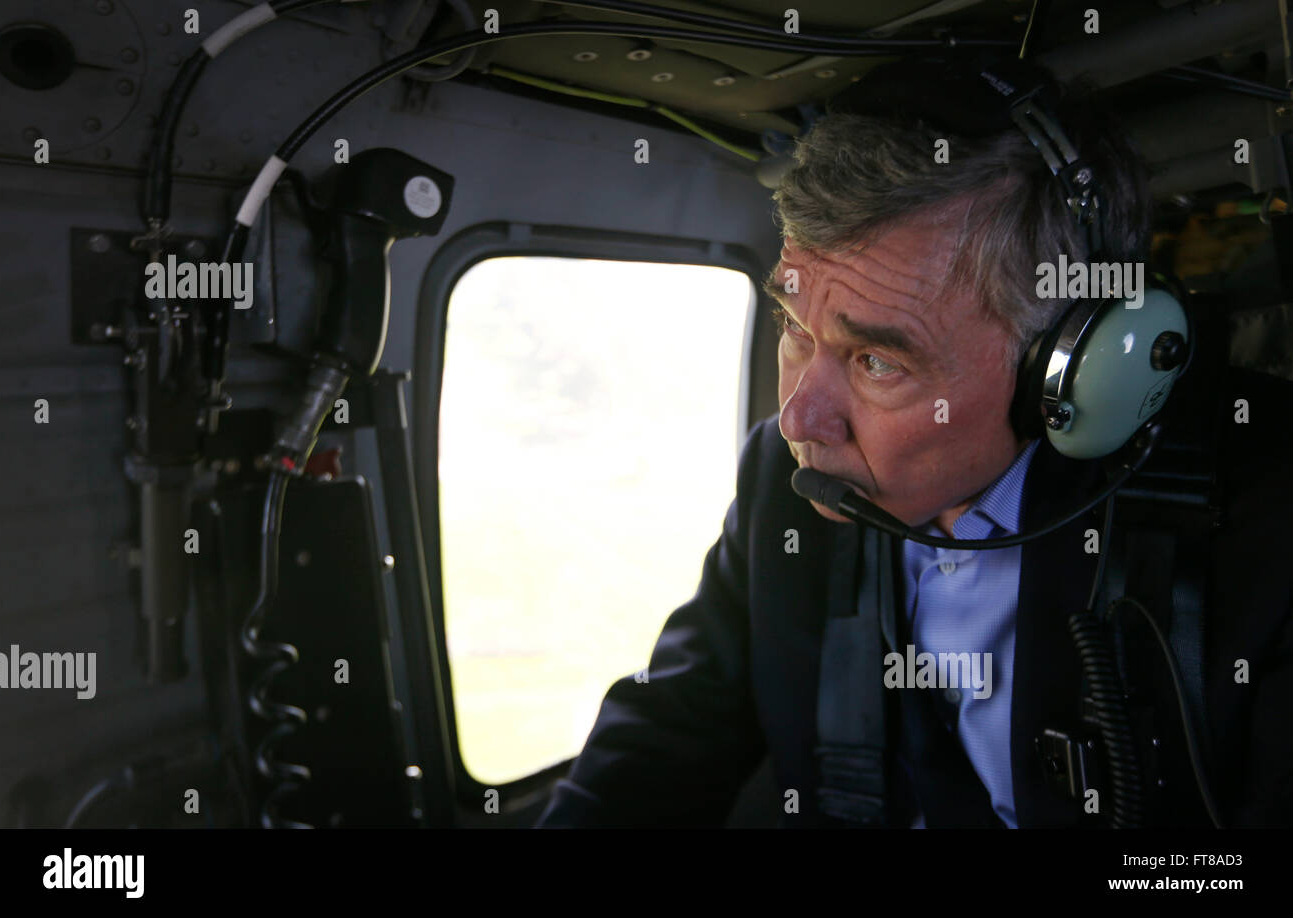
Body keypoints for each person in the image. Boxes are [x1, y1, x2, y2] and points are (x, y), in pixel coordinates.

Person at [534, 55, 1293, 828]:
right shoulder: (783, 478)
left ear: (1070, 371)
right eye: (794, 329)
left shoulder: (1266, 526)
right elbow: (665, 738)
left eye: (876, 362)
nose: (800, 419)